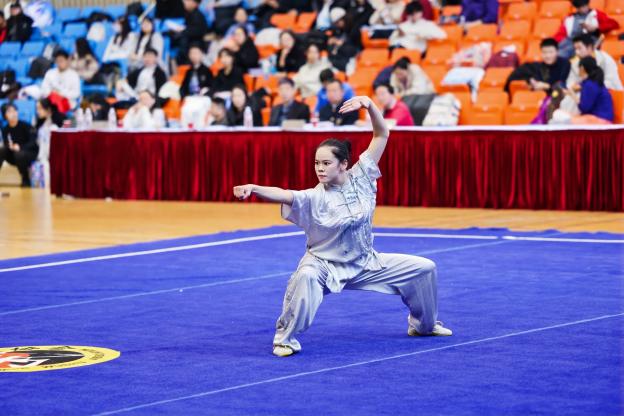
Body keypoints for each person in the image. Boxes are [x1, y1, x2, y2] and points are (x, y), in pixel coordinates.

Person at [233, 95, 452, 357]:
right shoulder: (314, 197)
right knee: (305, 277)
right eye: (317, 163)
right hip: (324, 265)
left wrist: (369, 104)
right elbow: (285, 194)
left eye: (326, 163)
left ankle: (423, 326)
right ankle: (285, 339)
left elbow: (382, 134)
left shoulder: (363, 175)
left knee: (424, 269)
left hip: (366, 262)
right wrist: (254, 188)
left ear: (344, 164)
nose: (319, 169)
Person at [554, 0, 619, 59]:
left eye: (585, 6)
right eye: (582, 7)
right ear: (577, 8)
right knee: (554, 50)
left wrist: (596, 28)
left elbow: (614, 24)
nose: (584, 8)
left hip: (587, 40)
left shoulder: (596, 14)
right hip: (570, 40)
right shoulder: (569, 18)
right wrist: (552, 43)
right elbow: (561, 34)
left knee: (561, 54)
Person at [557, 56, 614, 123]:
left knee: (561, 117)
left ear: (582, 68)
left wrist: (573, 95)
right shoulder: (591, 82)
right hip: (596, 118)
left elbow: (584, 108)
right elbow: (578, 86)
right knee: (560, 116)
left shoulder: (590, 84)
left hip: (601, 120)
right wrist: (570, 90)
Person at [505, 38, 571, 93]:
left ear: (557, 51)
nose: (548, 56)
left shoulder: (564, 63)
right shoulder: (538, 67)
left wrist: (547, 86)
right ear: (541, 53)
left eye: (551, 52)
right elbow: (513, 76)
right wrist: (530, 80)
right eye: (544, 52)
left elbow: (563, 85)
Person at [0, 103, 38, 187]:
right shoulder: (5, 129)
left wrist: (20, 147)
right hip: (14, 155)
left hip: (28, 153)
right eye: (9, 111)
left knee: (19, 154)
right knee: (1, 150)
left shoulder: (26, 126)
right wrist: (10, 146)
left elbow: (33, 143)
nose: (13, 113)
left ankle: (25, 178)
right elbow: (6, 143)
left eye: (15, 110)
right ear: (5, 115)